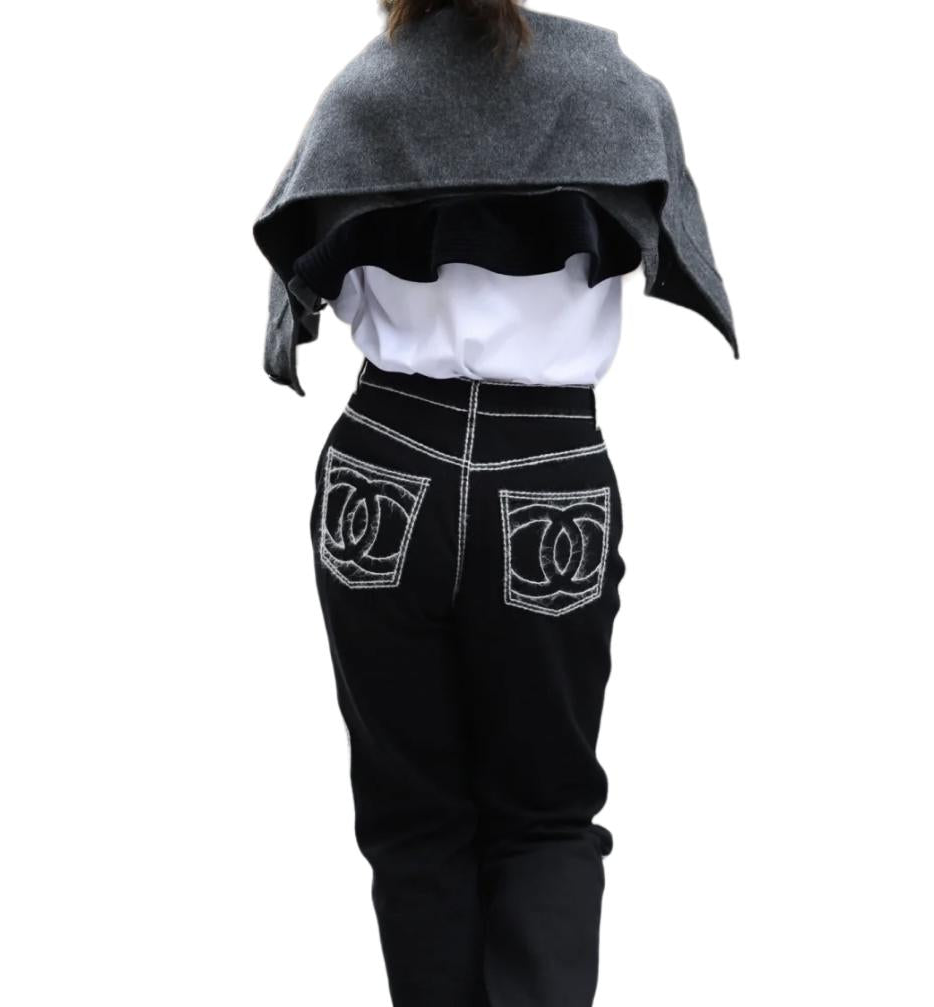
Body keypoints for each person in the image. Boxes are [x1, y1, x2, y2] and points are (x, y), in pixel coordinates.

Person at [252, 3, 737, 1005]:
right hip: (547, 463)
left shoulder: (360, 94)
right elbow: (661, 239)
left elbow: (305, 273)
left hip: (387, 462)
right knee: (544, 814)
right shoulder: (614, 92)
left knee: (413, 819)